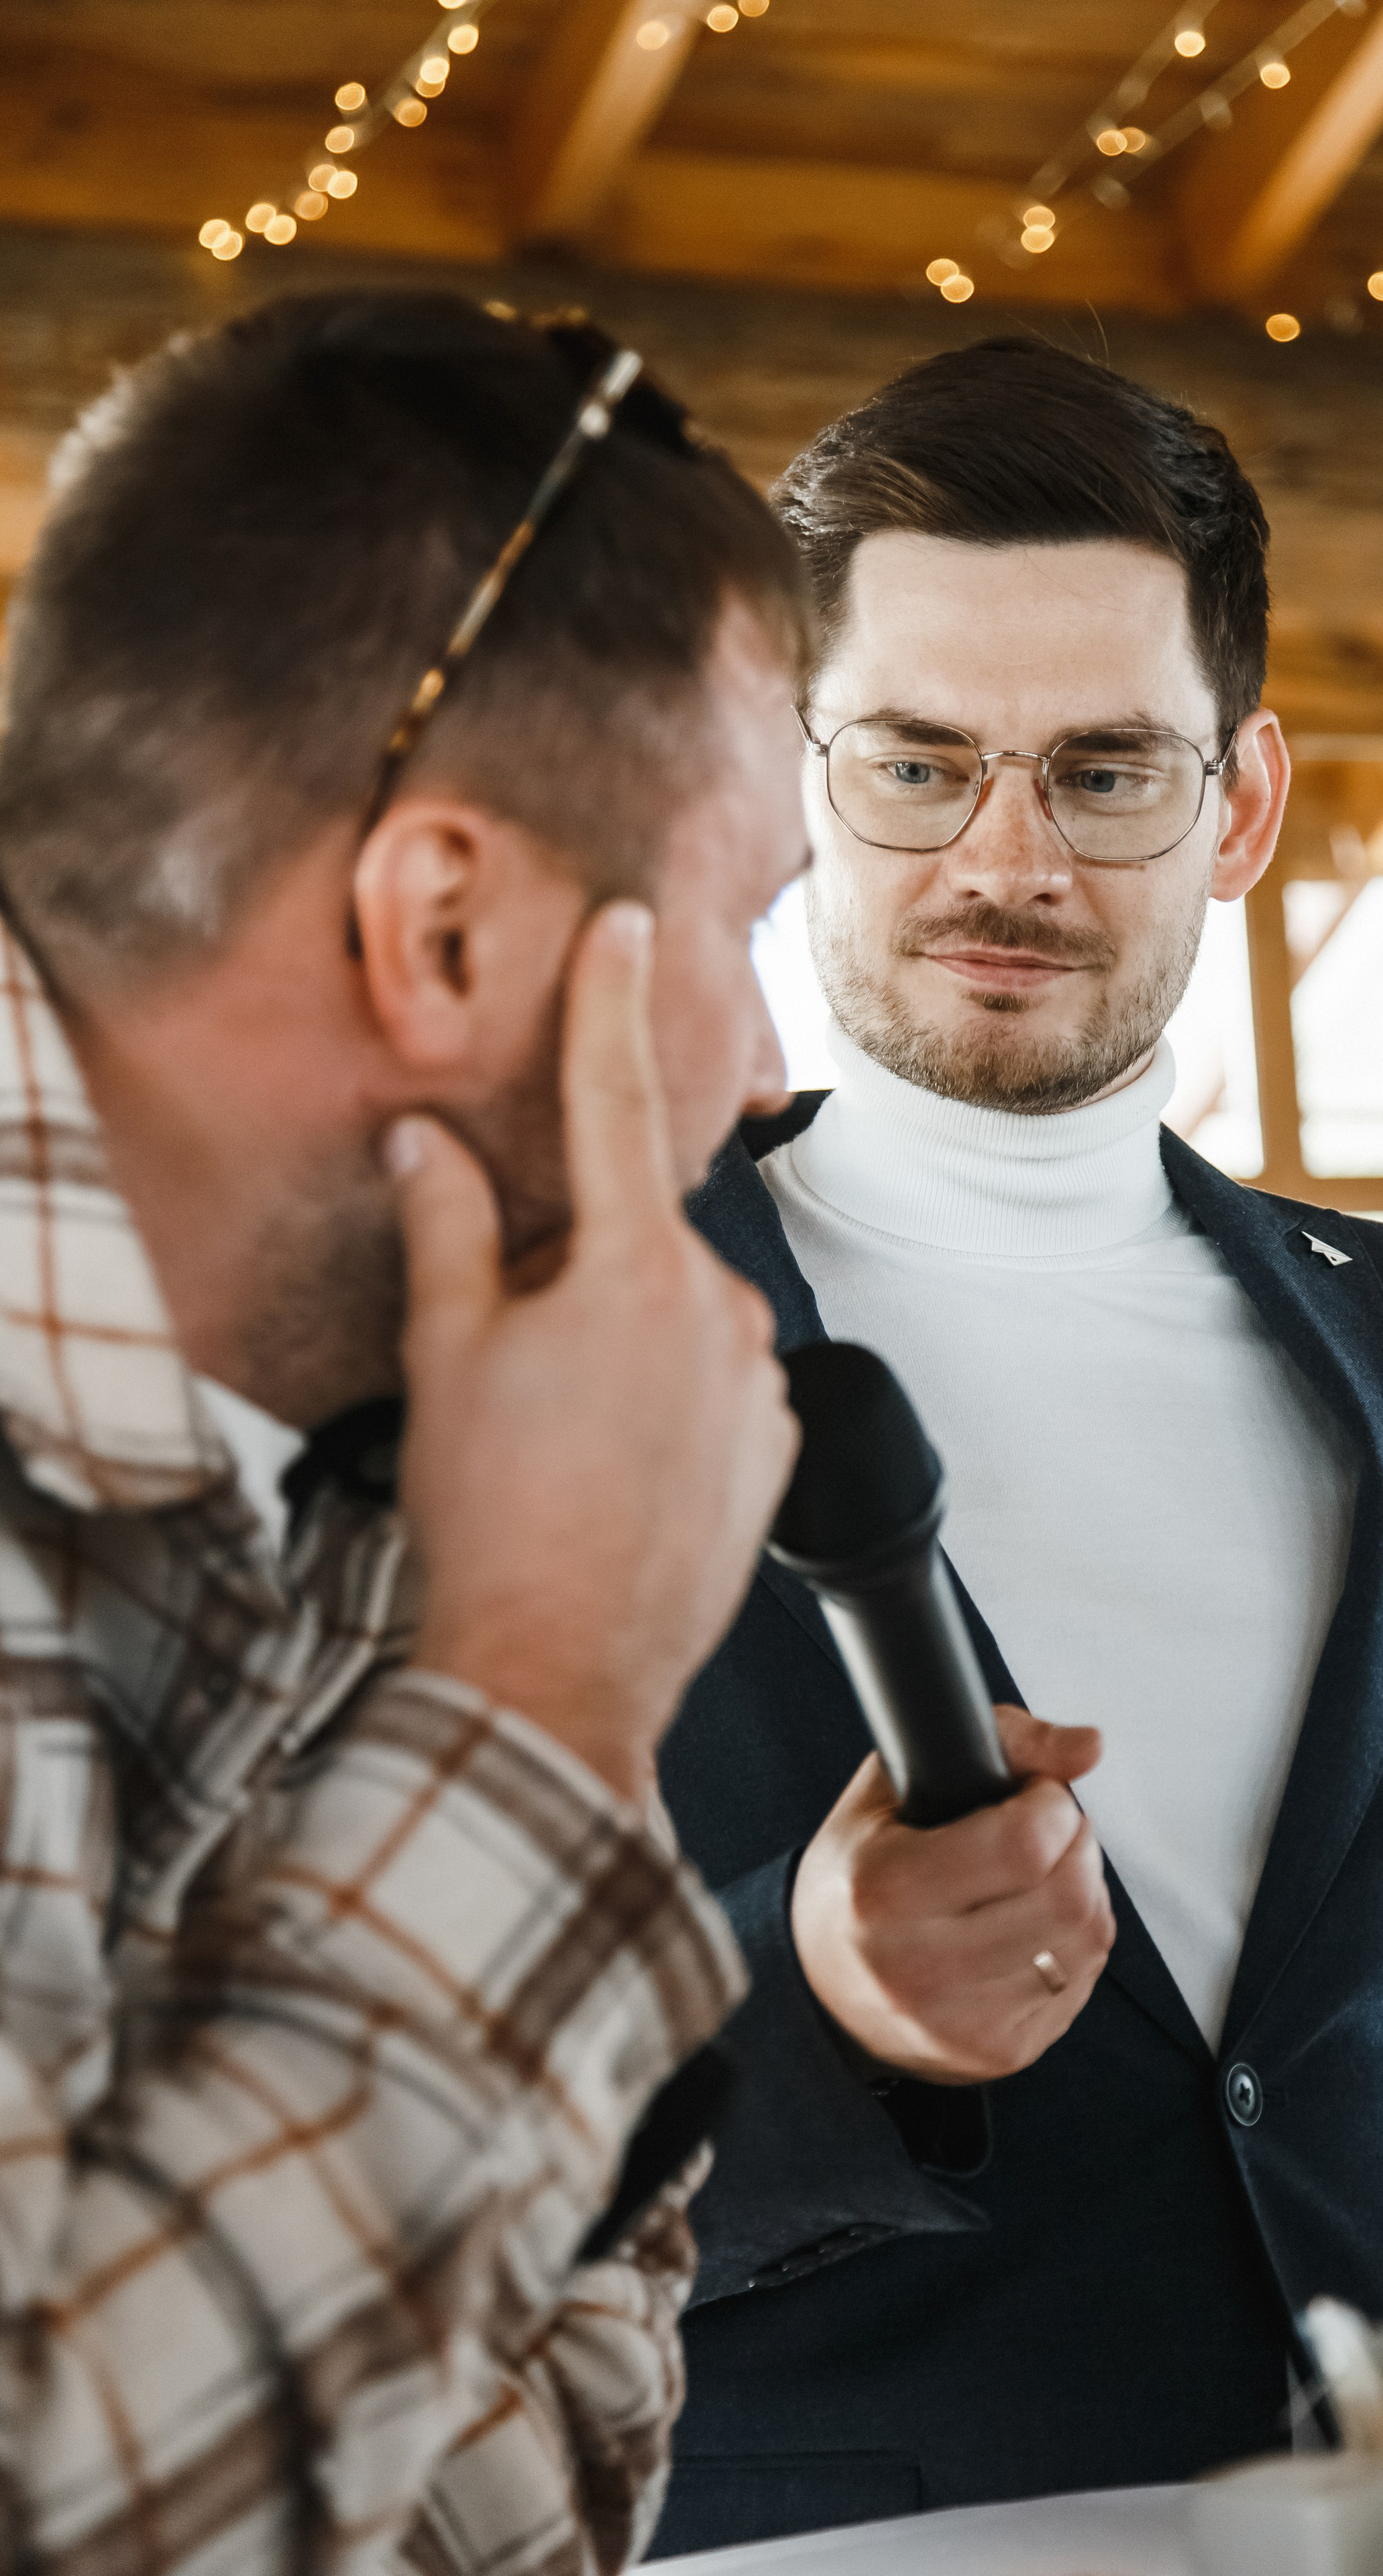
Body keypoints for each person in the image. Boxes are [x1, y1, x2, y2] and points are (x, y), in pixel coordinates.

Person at [650, 337, 1383, 2555]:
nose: (1007, 858)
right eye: (916, 764)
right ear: (783, 780)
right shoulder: (522, 1342)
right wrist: (812, 1997)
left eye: (1107, 769)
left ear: (1237, 805)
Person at [0, 291, 813, 2575]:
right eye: (749, 921)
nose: (768, 1072)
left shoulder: (376, 1472)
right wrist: (542, 1698)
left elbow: (510, 2502)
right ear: (444, 927)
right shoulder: (512, 1609)